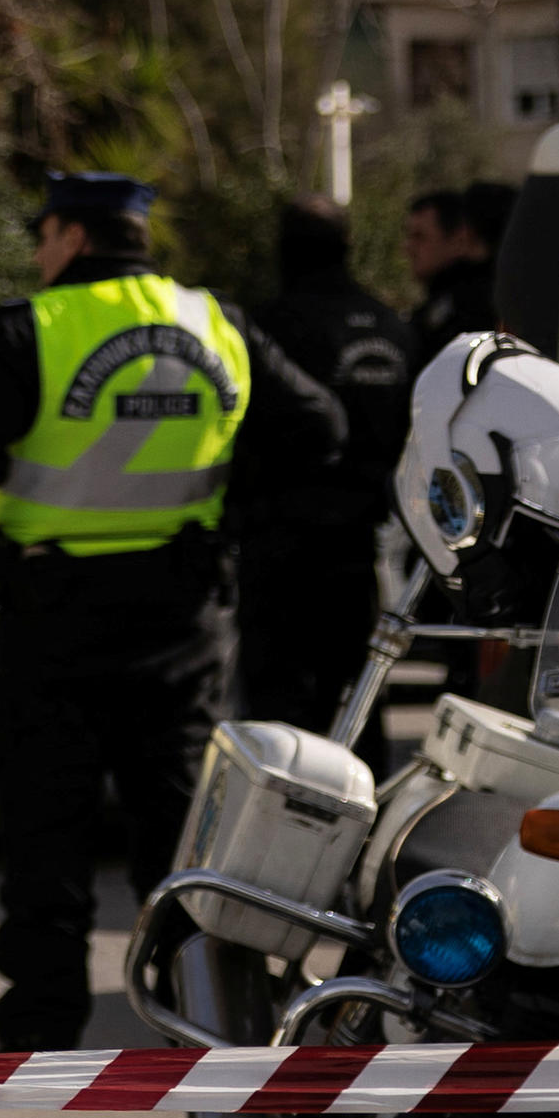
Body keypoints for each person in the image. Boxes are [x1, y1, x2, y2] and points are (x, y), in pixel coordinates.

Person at [0, 172, 343, 1048]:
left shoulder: (31, 329)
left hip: (55, 614)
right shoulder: (214, 321)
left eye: (44, 235)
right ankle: (199, 1026)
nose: (40, 252)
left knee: (47, 835)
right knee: (179, 833)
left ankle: (40, 1036)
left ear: (71, 235)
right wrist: (230, 528)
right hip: (183, 615)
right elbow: (320, 427)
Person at [235, 199, 416, 736]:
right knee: (355, 704)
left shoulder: (271, 327)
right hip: (362, 544)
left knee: (281, 711)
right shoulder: (394, 327)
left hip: (281, 546)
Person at [403, 181, 510, 362]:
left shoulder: (468, 306)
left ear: (460, 238)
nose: (408, 248)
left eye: (420, 237)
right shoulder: (445, 301)